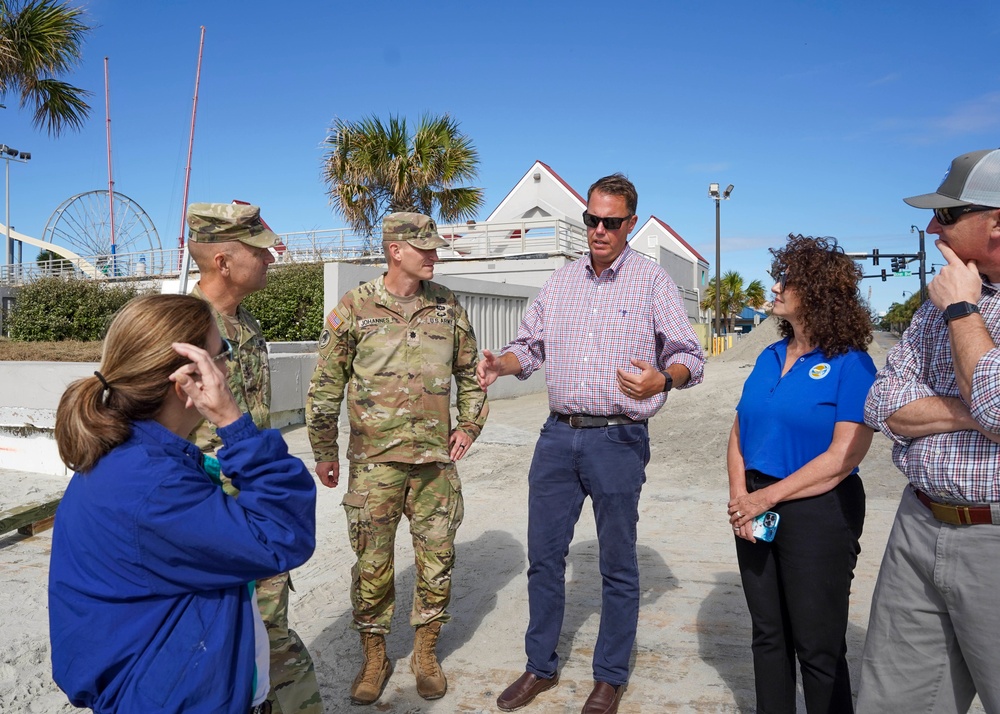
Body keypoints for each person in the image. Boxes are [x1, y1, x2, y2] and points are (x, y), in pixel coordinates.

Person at [476, 173, 705, 714]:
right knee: (544, 559)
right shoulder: (560, 283)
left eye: (610, 222)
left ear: (629, 224)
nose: (598, 230)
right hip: (557, 437)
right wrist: (499, 365)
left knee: (617, 566)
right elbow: (527, 348)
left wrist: (662, 379)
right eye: (591, 219)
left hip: (618, 439)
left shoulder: (651, 283)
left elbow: (689, 356)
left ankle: (609, 677)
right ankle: (539, 667)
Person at [48, 294, 317, 714]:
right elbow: (284, 536)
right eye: (221, 355)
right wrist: (234, 424)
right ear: (188, 381)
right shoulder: (154, 487)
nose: (228, 367)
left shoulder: (136, 459)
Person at [306, 212, 488, 705]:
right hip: (374, 463)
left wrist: (469, 425)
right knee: (372, 564)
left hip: (434, 464)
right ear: (395, 251)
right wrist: (324, 450)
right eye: (424, 247)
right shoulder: (356, 307)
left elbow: (472, 373)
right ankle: (375, 654)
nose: (434, 254)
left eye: (434, 246)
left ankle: (425, 652)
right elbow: (325, 384)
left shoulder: (447, 306)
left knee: (437, 561)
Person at [858, 149, 1000, 714]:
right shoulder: (936, 299)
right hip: (917, 527)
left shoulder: (953, 299)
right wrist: (973, 411)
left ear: (996, 222)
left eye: (946, 215)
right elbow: (884, 403)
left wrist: (963, 312)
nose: (929, 227)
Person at [726, 234, 876, 713]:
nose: (774, 286)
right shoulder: (769, 356)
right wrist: (740, 497)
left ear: (815, 292)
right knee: (767, 634)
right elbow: (738, 431)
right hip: (753, 503)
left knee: (817, 644)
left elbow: (842, 458)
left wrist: (764, 500)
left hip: (818, 511)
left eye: (785, 279)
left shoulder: (851, 364)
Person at [186, 202, 322, 714]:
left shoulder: (246, 325)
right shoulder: (179, 328)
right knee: (241, 645)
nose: (271, 259)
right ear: (223, 261)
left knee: (267, 637)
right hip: (208, 521)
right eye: (259, 251)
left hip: (254, 512)